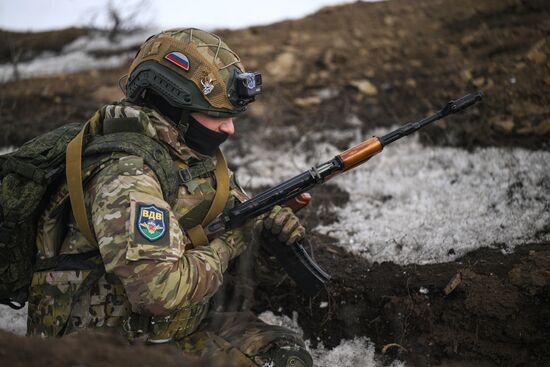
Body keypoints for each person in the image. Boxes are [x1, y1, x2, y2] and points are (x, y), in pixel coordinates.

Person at [27, 28, 313, 367]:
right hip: (104, 347)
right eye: (218, 115)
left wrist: (270, 225)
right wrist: (232, 243)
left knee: (286, 357)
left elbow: (239, 218)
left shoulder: (189, 157)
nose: (229, 129)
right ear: (173, 105)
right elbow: (158, 291)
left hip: (175, 329)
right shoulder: (126, 176)